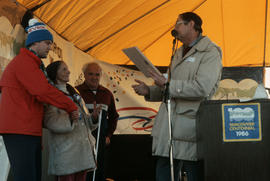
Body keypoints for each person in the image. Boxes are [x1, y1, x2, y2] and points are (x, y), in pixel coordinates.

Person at [132, 12, 222, 181]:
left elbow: (202, 88)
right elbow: (170, 87)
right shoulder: (178, 52)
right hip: (169, 127)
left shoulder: (210, 52)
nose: (175, 28)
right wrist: (150, 91)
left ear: (192, 24)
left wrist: (167, 85)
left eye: (179, 23)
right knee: (163, 172)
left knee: (193, 172)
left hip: (190, 128)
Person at [0, 19, 78, 181]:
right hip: (20, 129)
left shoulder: (33, 64)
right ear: (34, 43)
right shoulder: (24, 62)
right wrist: (70, 105)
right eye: (47, 43)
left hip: (27, 128)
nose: (50, 47)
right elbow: (42, 91)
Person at [44, 60, 100, 181]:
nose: (68, 71)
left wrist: (93, 118)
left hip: (82, 152)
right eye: (64, 69)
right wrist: (69, 119)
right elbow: (49, 121)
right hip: (66, 154)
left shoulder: (75, 93)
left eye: (67, 68)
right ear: (55, 73)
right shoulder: (50, 94)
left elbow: (86, 123)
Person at [76, 62, 119, 181]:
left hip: (100, 142)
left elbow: (114, 116)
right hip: (81, 141)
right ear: (84, 75)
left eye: (97, 74)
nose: (94, 77)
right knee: (83, 173)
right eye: (90, 74)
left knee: (99, 171)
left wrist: (108, 135)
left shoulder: (107, 94)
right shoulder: (76, 92)